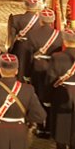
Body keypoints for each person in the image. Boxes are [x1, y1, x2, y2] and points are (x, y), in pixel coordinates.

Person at [27, 8, 62, 138]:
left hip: (37, 68)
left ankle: (41, 127)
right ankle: (50, 127)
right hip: (53, 69)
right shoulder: (59, 35)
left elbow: (28, 55)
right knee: (50, 99)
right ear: (53, 21)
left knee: (39, 98)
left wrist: (26, 73)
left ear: (40, 20)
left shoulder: (32, 34)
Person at [7, 0, 42, 79]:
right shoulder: (41, 20)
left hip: (20, 50)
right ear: (37, 6)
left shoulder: (15, 18)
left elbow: (10, 39)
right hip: (36, 49)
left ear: (25, 6)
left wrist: (10, 51)